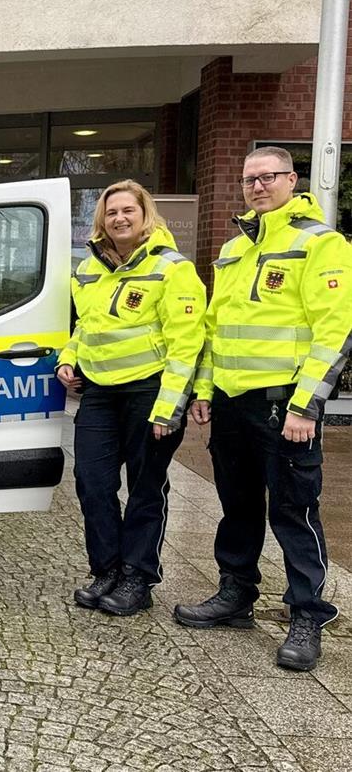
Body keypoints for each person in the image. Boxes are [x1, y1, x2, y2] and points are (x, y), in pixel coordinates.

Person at [174, 146, 352, 672]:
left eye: (268, 177)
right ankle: (236, 594)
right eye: (249, 179)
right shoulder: (232, 249)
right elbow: (213, 330)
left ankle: (307, 612)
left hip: (284, 407)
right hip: (231, 404)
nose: (257, 186)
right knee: (239, 505)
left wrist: (307, 406)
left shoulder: (320, 243)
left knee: (294, 509)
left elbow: (335, 329)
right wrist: (204, 391)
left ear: (292, 180)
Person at [57, 180, 205, 616]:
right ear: (102, 219)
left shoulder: (173, 268)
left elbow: (186, 343)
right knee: (93, 483)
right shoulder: (89, 269)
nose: (119, 218)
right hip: (100, 392)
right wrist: (70, 358)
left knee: (144, 489)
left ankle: (137, 578)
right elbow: (86, 326)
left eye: (128, 211)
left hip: (150, 392)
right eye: (111, 212)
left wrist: (170, 407)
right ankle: (106, 569)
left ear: (146, 216)